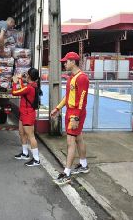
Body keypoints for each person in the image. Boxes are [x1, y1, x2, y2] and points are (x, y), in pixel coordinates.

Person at [50, 52, 90, 185]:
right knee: (78, 139)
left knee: (70, 142)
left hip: (76, 113)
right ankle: (83, 165)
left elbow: (82, 100)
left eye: (66, 62)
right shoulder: (71, 77)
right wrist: (58, 108)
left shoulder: (82, 78)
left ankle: (66, 173)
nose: (64, 64)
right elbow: (68, 97)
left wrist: (76, 117)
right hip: (70, 111)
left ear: (73, 62)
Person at [12, 68, 42, 167]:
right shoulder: (31, 86)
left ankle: (36, 159)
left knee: (30, 136)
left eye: (26, 74)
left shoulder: (30, 87)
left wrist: (14, 82)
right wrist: (20, 80)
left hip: (28, 114)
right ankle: (25, 153)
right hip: (24, 112)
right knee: (21, 132)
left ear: (29, 76)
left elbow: (15, 92)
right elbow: (22, 89)